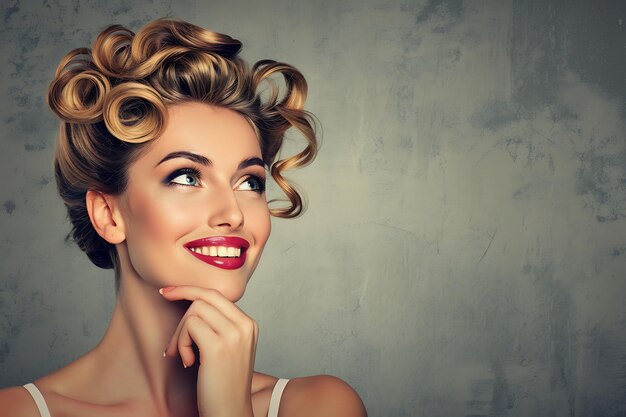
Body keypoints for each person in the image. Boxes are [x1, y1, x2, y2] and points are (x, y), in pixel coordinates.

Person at [0, 18, 367, 417]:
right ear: (108, 214)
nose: (232, 214)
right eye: (188, 177)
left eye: (249, 183)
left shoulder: (319, 406)